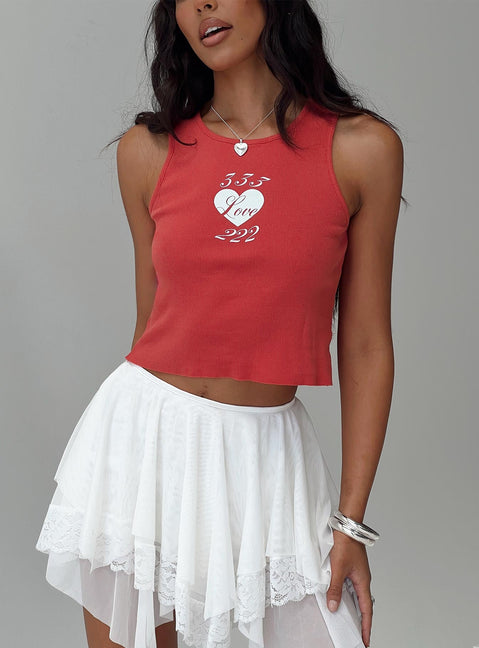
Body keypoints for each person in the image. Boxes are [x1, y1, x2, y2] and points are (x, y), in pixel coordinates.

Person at [35, 1, 405, 648]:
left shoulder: (361, 150)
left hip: (268, 461)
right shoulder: (147, 152)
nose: (202, 4)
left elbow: (367, 343)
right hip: (144, 449)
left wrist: (351, 524)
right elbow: (151, 325)